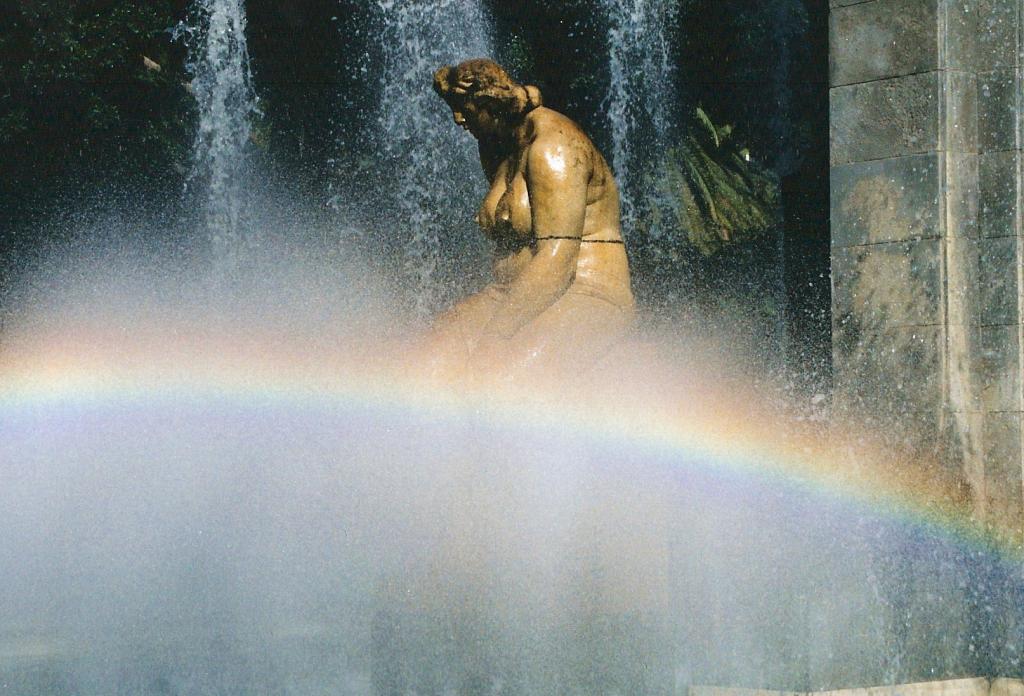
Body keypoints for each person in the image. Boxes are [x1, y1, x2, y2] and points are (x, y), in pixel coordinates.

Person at [424, 59, 635, 384]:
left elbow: (558, 260)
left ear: (489, 104)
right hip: (510, 293)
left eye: (464, 108)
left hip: (585, 293)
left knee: (496, 383)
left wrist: (495, 336)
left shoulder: (553, 147)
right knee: (422, 368)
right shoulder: (496, 144)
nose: (457, 118)